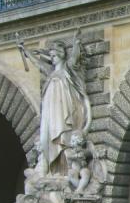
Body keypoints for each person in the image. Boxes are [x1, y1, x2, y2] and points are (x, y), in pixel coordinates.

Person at [17, 34, 91, 177]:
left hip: (65, 109)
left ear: (62, 55)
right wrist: (25, 51)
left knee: (63, 137)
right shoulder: (51, 72)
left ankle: (64, 170)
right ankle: (51, 169)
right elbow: (38, 64)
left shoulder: (68, 69)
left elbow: (75, 58)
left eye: (54, 55)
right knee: (46, 136)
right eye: (51, 56)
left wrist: (76, 43)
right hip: (51, 110)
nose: (52, 58)